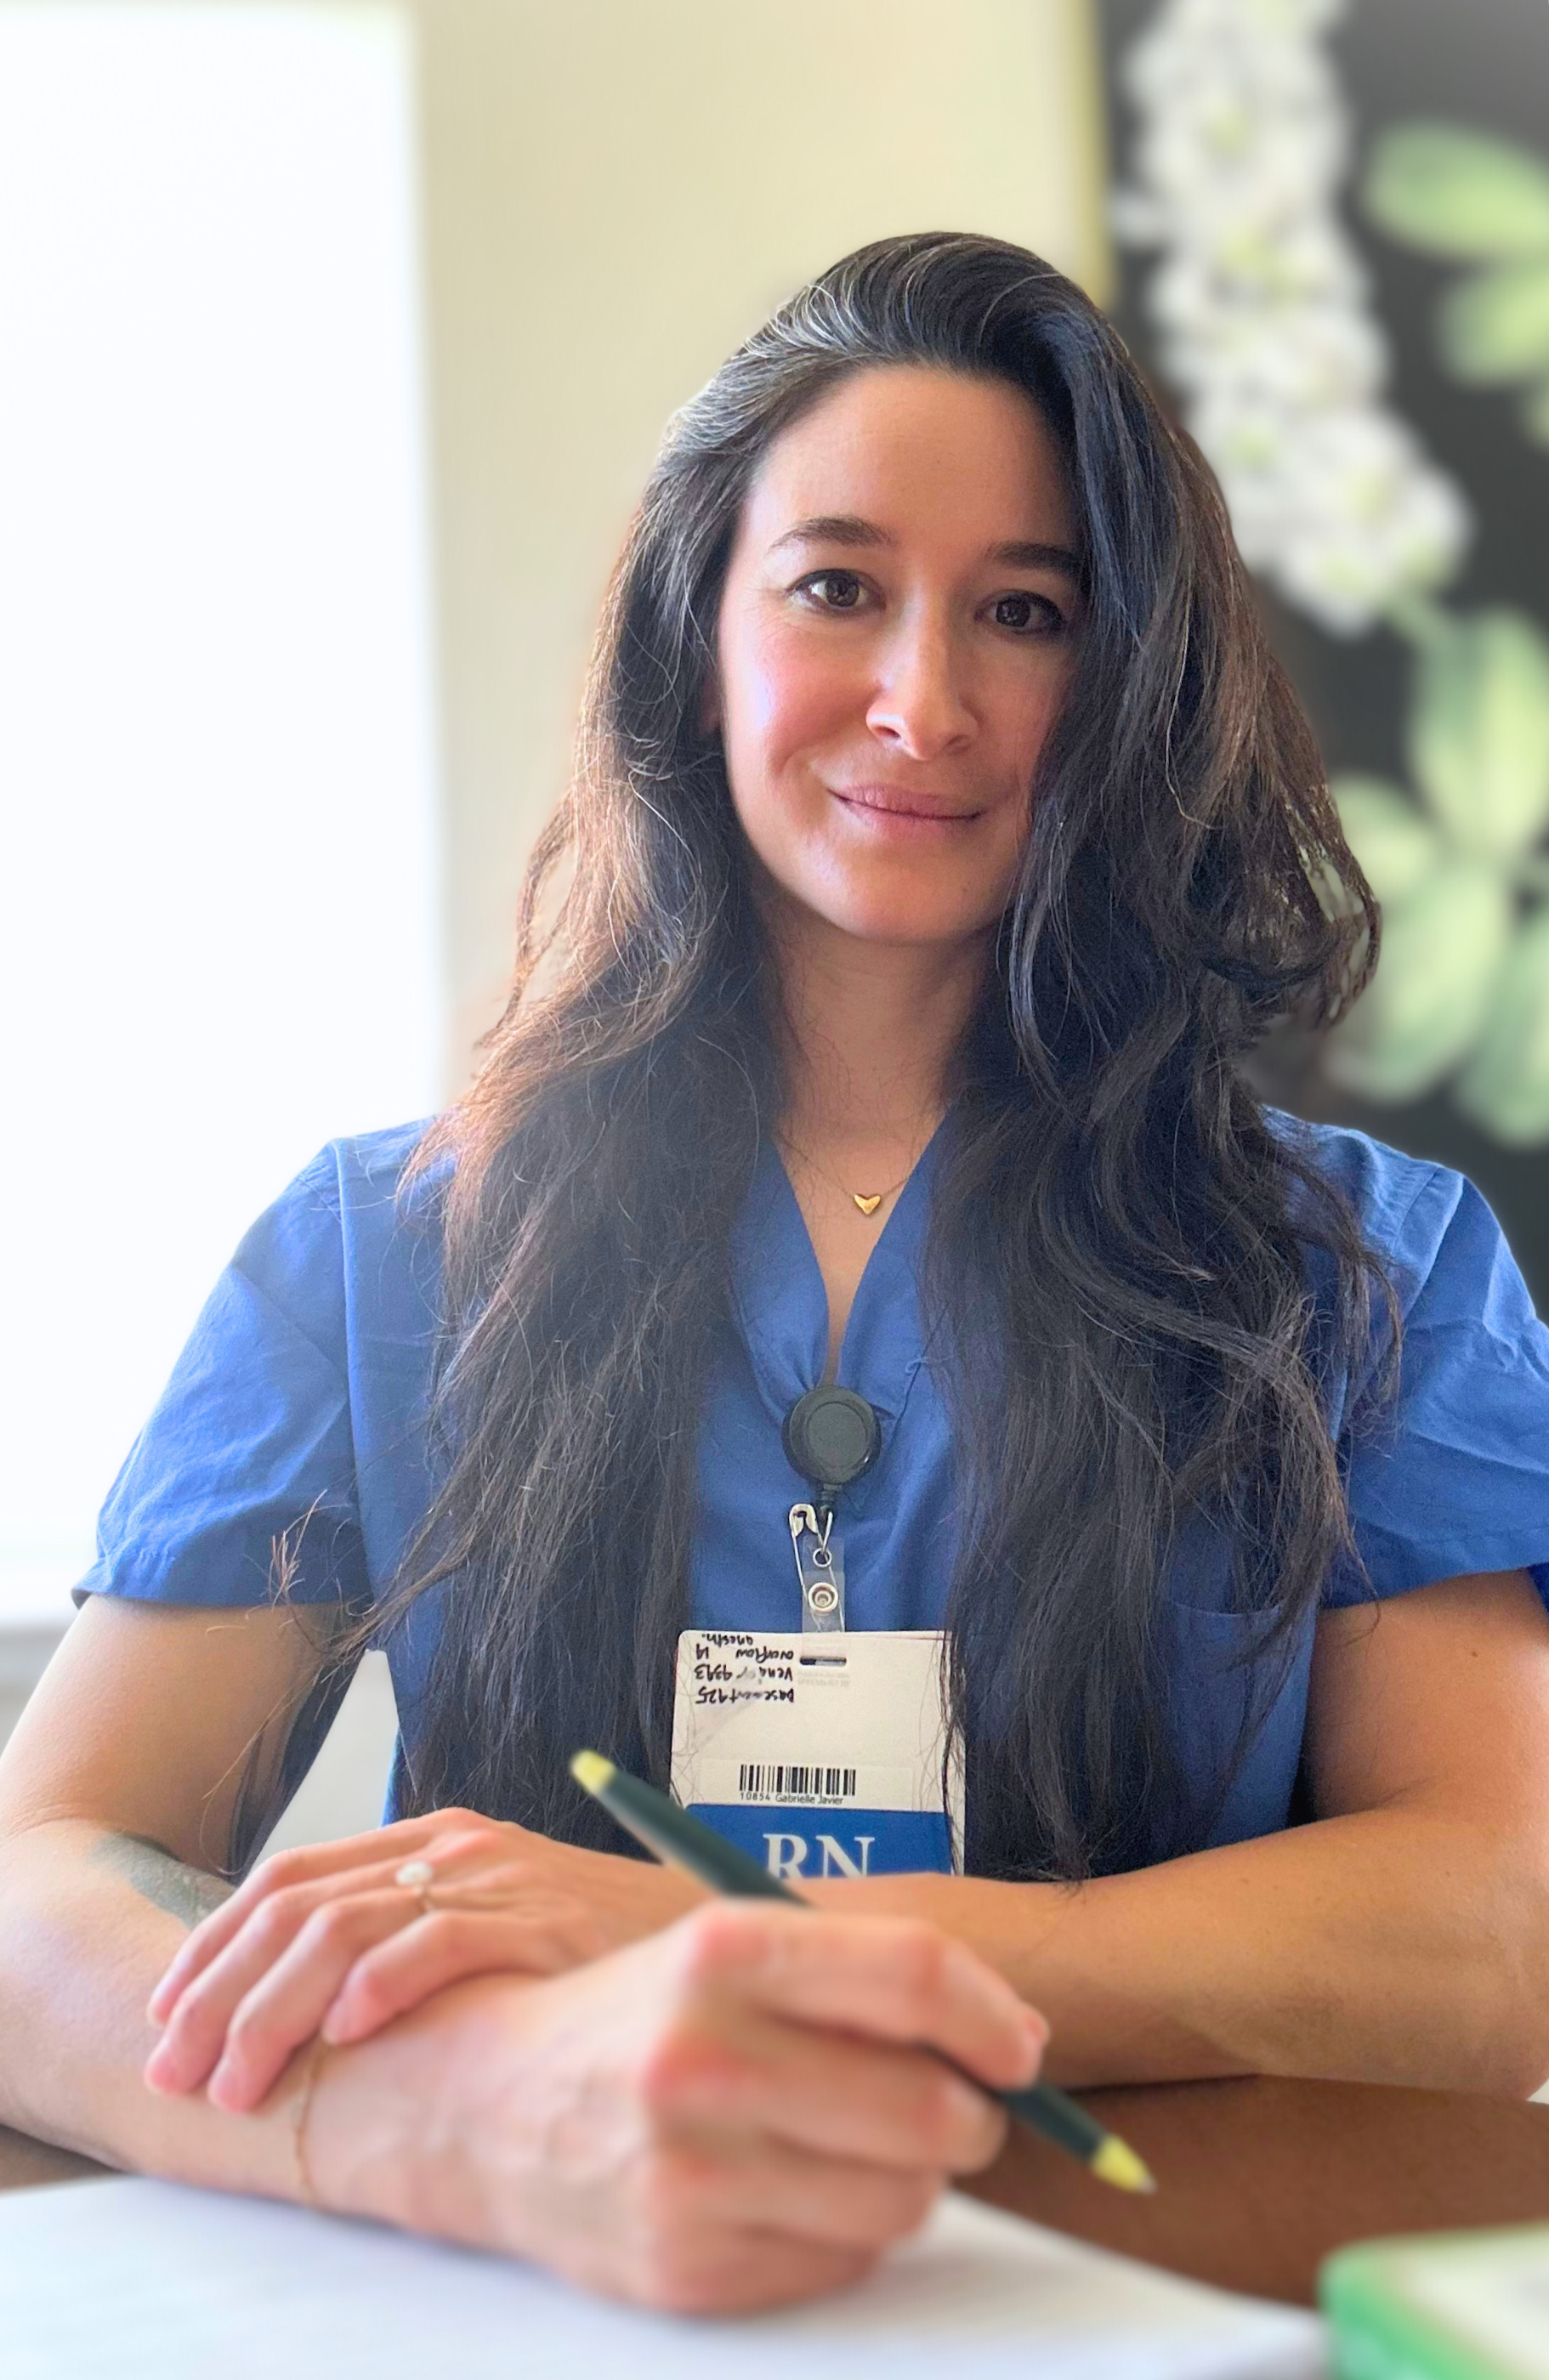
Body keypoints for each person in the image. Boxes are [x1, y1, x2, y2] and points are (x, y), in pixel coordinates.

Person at [4, 231, 1549, 2312]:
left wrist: (748, 1948)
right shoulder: (373, 1248)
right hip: (564, 2304)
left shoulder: (1368, 1267)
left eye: (1026, 610)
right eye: (835, 586)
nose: (922, 696)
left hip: (1142, 2305)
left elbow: (1494, 1930)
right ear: (695, 635)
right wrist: (494, 2113)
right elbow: (37, 1897)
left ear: (1130, 683)